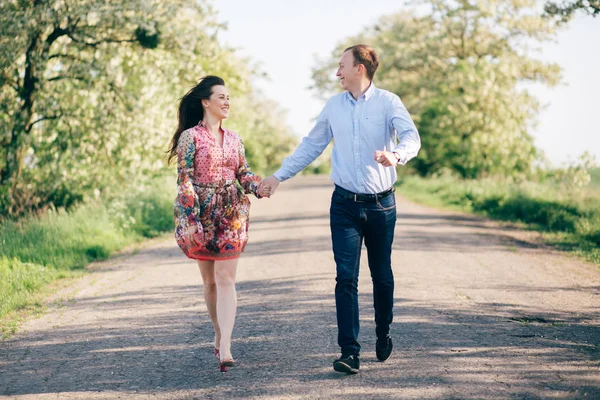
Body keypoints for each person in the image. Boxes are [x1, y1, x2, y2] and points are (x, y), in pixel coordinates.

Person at [260, 45, 421, 374]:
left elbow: (411, 137)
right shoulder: (334, 106)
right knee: (345, 278)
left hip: (381, 205)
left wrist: (397, 155)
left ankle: (383, 332)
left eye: (342, 66)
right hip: (344, 205)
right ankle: (350, 352)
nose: (337, 72)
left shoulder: (389, 102)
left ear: (359, 68)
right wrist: (278, 177)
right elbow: (312, 145)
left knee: (382, 276)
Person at [168, 76, 270, 372]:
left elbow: (243, 172)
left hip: (232, 213)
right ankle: (218, 331)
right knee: (210, 281)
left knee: (226, 278)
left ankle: (225, 344)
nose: (227, 102)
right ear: (205, 102)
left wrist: (257, 186)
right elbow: (184, 179)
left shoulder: (235, 138)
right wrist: (189, 219)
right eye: (221, 97)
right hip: (201, 213)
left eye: (229, 98)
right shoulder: (191, 137)